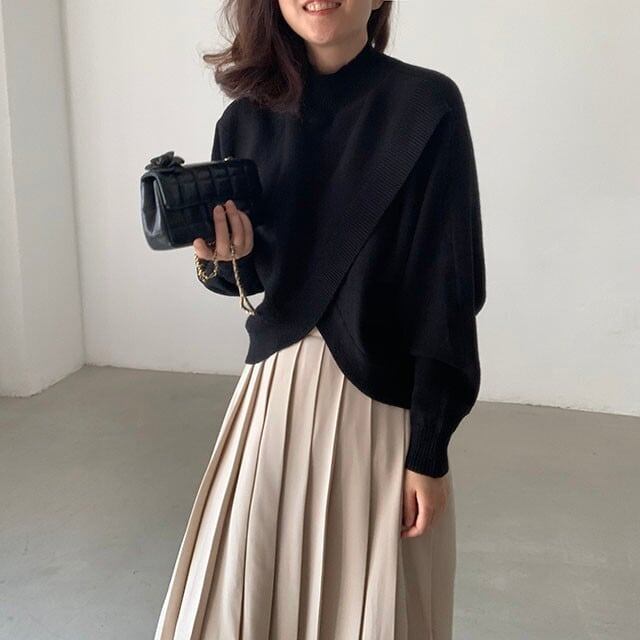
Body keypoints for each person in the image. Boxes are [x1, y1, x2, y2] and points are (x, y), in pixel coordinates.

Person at [155, 0, 486, 638]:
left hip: (379, 407)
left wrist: (429, 450)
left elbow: (445, 291)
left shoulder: (426, 106)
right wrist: (217, 260)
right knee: (244, 602)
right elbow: (250, 280)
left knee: (374, 607)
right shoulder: (244, 120)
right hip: (272, 395)